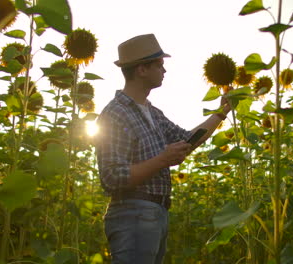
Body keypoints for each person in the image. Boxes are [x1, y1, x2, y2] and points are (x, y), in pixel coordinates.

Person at [95, 33, 230, 264]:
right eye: (160, 65)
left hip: (157, 213)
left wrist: (220, 113)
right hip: (132, 213)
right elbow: (112, 176)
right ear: (141, 69)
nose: (164, 71)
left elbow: (187, 140)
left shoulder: (152, 112)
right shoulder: (114, 114)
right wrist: (162, 159)